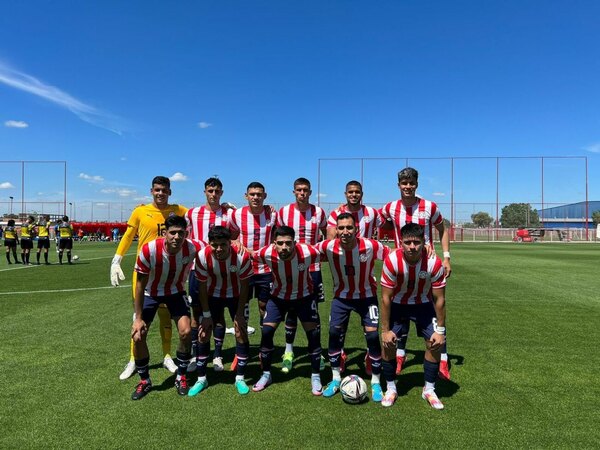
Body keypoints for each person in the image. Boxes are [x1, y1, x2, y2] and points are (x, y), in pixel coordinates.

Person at [110, 176, 188, 380]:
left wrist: (225, 208)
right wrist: (116, 259)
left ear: (169, 192)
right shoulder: (140, 211)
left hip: (169, 272)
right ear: (151, 191)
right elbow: (128, 235)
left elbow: (201, 216)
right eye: (157, 190)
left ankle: (167, 355)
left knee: (166, 317)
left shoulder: (179, 210)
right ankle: (133, 359)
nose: (160, 193)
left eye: (164, 190)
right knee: (138, 318)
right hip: (144, 272)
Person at [380, 167, 452, 379]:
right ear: (398, 185)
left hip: (426, 262)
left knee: (432, 309)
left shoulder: (429, 206)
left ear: (417, 184)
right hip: (402, 262)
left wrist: (446, 256)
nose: (408, 186)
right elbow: (376, 222)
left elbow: (443, 229)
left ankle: (443, 361)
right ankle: (399, 355)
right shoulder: (390, 207)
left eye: (411, 183)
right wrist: (388, 245)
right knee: (400, 305)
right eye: (404, 183)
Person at [317, 213, 389, 402]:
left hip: (367, 297)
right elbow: (304, 252)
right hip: (341, 298)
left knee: (373, 336)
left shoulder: (370, 245)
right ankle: (335, 378)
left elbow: (393, 254)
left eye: (349, 228)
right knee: (334, 334)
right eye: (341, 228)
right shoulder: (328, 246)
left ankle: (375, 381)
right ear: (336, 230)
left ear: (356, 229)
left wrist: (426, 250)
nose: (345, 232)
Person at [130, 215, 202, 400]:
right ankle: (145, 380)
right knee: (138, 336)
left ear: (186, 233)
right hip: (150, 293)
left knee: (186, 332)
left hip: (176, 292)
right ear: (165, 233)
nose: (177, 237)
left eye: (181, 233)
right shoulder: (150, 250)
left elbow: (214, 247)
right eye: (173, 233)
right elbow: (139, 286)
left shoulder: (192, 247)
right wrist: (138, 318)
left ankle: (181, 375)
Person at [379, 223, 447, 409]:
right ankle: (391, 388)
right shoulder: (392, 260)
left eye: (416, 242)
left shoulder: (434, 262)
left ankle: (429, 389)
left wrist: (440, 330)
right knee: (388, 344)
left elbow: (439, 299)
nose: (412, 246)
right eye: (407, 242)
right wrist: (385, 330)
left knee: (435, 342)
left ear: (424, 242)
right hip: (398, 305)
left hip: (423, 305)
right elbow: (385, 298)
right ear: (401, 242)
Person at [252, 226, 323, 395]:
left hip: (304, 297)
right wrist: (235, 243)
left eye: (288, 243)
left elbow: (329, 253)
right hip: (278, 298)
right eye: (280, 243)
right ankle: (266, 374)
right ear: (274, 243)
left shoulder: (308, 252)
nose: (284, 247)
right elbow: (249, 254)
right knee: (267, 332)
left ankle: (315, 376)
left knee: (313, 335)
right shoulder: (266, 253)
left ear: (295, 243)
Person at [184, 177, 243, 372]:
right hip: (197, 269)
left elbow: (235, 237)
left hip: (221, 271)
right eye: (210, 191)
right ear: (204, 192)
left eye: (217, 191)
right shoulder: (192, 214)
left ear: (222, 193)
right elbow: (181, 234)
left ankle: (217, 355)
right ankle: (195, 354)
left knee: (217, 313)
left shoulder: (228, 214)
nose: (213, 194)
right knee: (196, 315)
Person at [188, 226, 253, 396]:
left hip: (237, 295)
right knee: (203, 333)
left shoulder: (241, 256)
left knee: (240, 332)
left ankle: (240, 377)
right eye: (214, 244)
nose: (218, 249)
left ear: (229, 243)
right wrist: (207, 315)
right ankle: (201, 379)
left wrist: (239, 314)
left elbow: (246, 286)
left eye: (223, 244)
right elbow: (201, 287)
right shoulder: (202, 256)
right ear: (209, 243)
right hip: (212, 295)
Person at [276, 177, 327, 373]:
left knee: (313, 311)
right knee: (290, 308)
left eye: (305, 190)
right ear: (294, 192)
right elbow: (277, 236)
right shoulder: (284, 212)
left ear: (310, 192)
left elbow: (327, 233)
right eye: (299, 190)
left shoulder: (319, 212)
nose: (302, 193)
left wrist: (322, 252)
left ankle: (316, 351)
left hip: (312, 268)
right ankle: (288, 351)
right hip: (287, 268)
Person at [228, 182, 278, 330]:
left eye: (259, 194)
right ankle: (243, 345)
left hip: (266, 268)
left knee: (265, 305)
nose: (256, 197)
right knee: (243, 304)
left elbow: (278, 235)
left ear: (265, 196)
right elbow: (229, 237)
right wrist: (237, 243)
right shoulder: (236, 214)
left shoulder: (273, 214)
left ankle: (265, 342)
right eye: (252, 194)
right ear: (246, 196)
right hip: (244, 267)